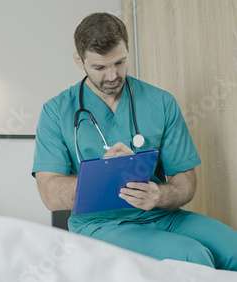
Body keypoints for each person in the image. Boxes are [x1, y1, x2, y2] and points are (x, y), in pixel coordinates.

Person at [32, 12, 237, 270]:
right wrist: (103, 175)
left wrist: (160, 194)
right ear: (79, 60)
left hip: (162, 214)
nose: (112, 75)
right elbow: (49, 194)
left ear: (128, 50)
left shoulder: (160, 102)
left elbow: (185, 182)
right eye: (99, 67)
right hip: (100, 224)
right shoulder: (56, 111)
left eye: (120, 62)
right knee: (192, 256)